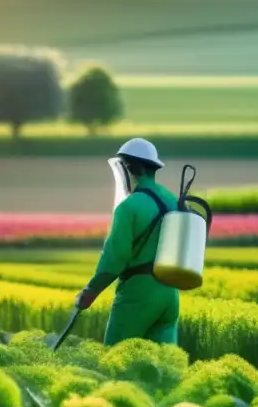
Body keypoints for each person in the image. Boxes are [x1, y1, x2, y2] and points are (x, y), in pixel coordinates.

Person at [74, 138, 180, 346]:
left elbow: (115, 258)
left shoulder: (128, 207)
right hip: (169, 293)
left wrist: (91, 290)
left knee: (117, 359)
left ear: (130, 169)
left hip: (138, 293)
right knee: (165, 365)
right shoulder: (172, 200)